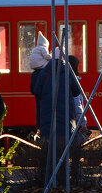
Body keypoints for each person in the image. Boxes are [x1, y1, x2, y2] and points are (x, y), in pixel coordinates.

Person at [30, 51, 82, 185]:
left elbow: (36, 91)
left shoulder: (45, 73)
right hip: (66, 121)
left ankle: (48, 183)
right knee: (63, 156)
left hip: (48, 121)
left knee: (49, 156)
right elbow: (77, 91)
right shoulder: (68, 72)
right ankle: (63, 184)